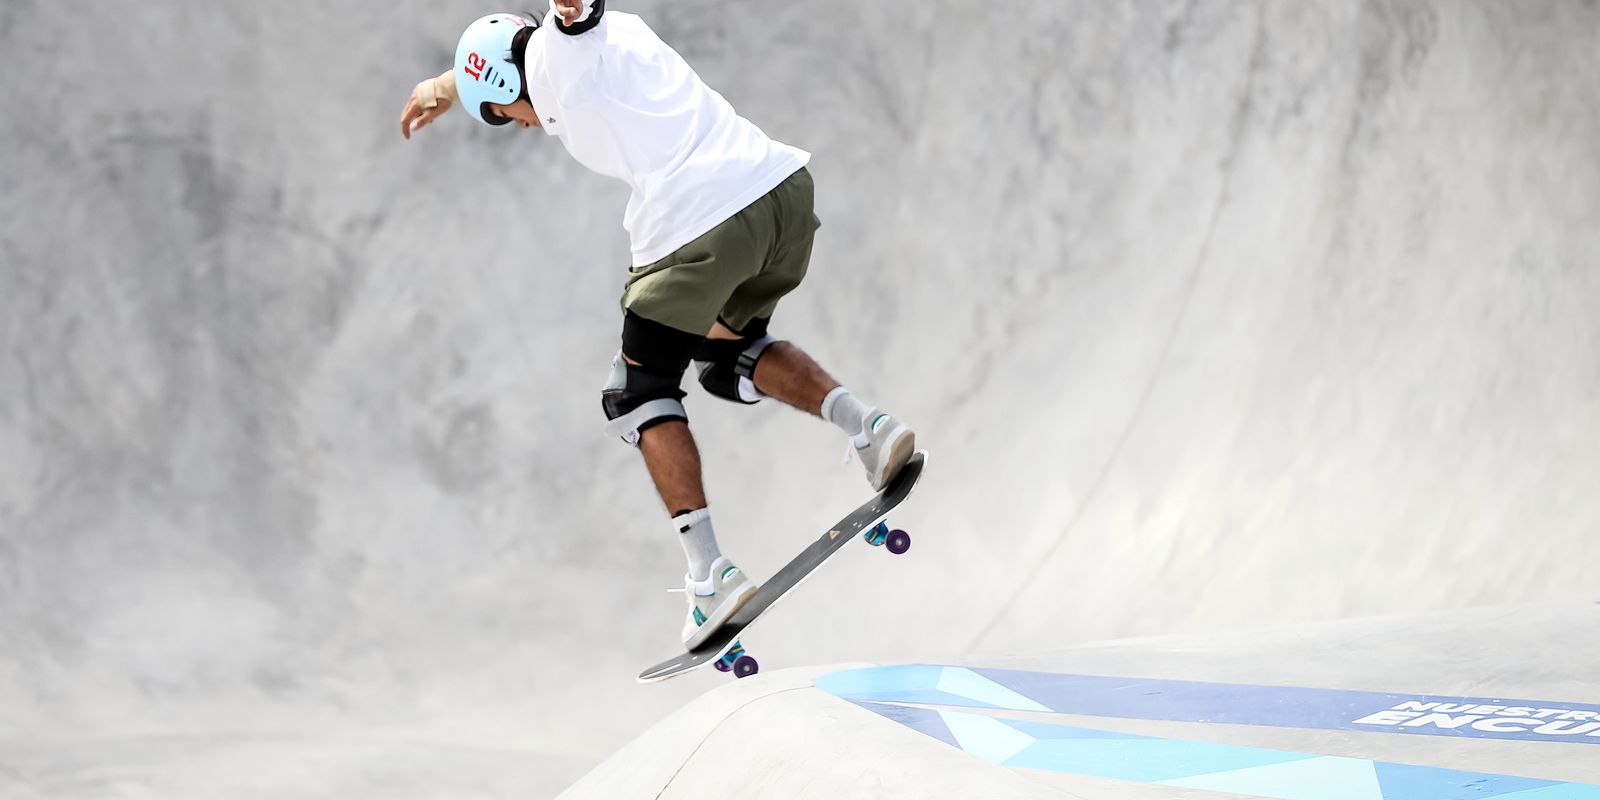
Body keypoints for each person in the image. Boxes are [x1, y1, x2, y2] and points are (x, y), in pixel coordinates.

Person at [399, 0, 916, 650]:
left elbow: (569, 23)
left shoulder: (561, 55)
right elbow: (515, 48)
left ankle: (709, 576)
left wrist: (565, 13)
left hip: (700, 228)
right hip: (780, 194)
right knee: (726, 357)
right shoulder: (590, 47)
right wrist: (445, 87)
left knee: (638, 393)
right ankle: (870, 430)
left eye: (504, 116)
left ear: (506, 88)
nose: (521, 127)